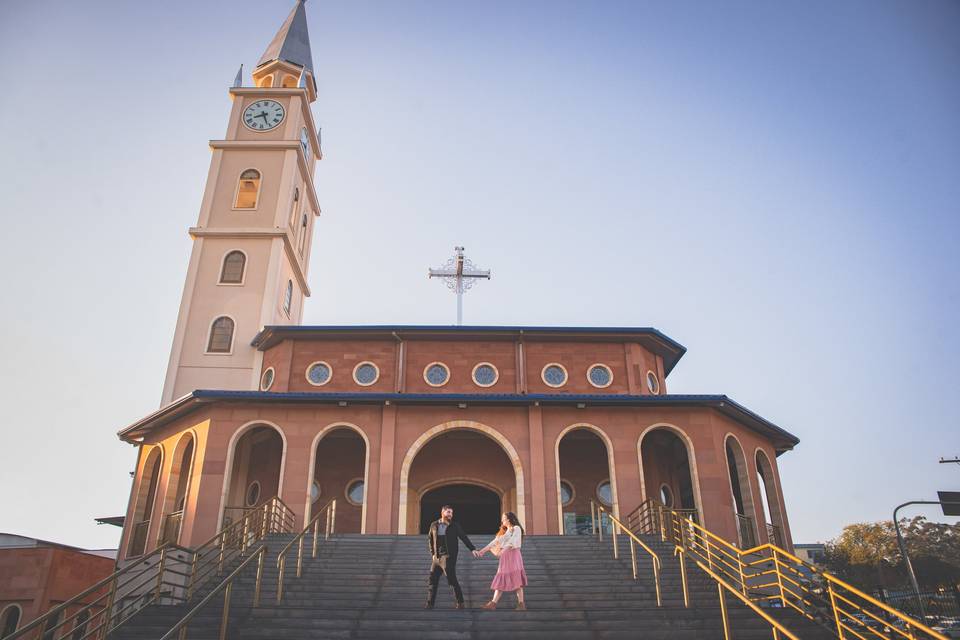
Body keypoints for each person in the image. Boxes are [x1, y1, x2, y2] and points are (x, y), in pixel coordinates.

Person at [425, 505, 478, 609]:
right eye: (448, 512)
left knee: (452, 580)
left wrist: (472, 549)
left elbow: (464, 537)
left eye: (451, 513)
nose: (450, 515)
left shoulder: (454, 526)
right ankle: (430, 604)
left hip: (448, 557)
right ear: (442, 512)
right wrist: (433, 554)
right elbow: (430, 539)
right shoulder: (434, 525)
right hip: (436, 558)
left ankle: (460, 603)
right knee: (432, 580)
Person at [475, 512, 528, 610]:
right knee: (501, 578)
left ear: (509, 519)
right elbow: (494, 542)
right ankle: (493, 603)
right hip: (505, 557)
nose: (502, 520)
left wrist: (504, 550)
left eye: (504, 518)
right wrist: (482, 551)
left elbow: (513, 542)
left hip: (513, 555)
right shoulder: (504, 532)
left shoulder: (516, 528)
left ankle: (521, 604)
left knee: (516, 580)